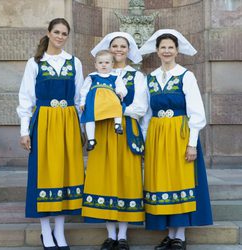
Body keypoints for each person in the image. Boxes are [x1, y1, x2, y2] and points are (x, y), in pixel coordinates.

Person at [139, 29, 213, 250]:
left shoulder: (185, 76)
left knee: (180, 182)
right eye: (163, 47)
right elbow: (146, 114)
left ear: (177, 51)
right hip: (157, 136)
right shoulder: (150, 78)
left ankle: (179, 235)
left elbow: (197, 113)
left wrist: (192, 143)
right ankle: (170, 235)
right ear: (157, 51)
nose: (167, 51)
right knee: (162, 182)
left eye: (171, 47)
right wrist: (144, 141)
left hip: (180, 136)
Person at [17, 18, 85, 250]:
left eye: (64, 33)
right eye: (56, 32)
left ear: (68, 36)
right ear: (49, 33)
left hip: (68, 122)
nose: (60, 36)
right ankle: (46, 232)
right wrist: (25, 131)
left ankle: (60, 231)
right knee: (44, 174)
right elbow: (26, 98)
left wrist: (83, 130)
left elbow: (79, 100)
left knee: (66, 174)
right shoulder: (35, 62)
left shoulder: (74, 62)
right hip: (44, 122)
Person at [82, 32, 148, 250]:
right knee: (105, 178)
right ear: (108, 49)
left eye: (123, 46)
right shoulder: (94, 75)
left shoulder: (135, 76)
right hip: (101, 130)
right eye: (115, 46)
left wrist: (113, 110)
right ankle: (110, 234)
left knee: (125, 179)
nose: (119, 49)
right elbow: (83, 102)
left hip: (125, 128)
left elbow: (140, 107)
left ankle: (123, 235)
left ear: (129, 50)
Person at [80, 50, 127, 151]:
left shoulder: (115, 77)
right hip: (94, 100)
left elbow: (122, 88)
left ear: (112, 64)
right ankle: (91, 140)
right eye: (100, 63)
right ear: (96, 65)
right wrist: (82, 102)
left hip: (110, 99)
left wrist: (120, 93)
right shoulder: (92, 76)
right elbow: (84, 90)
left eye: (107, 62)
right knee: (90, 116)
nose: (103, 65)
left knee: (117, 104)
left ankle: (117, 124)